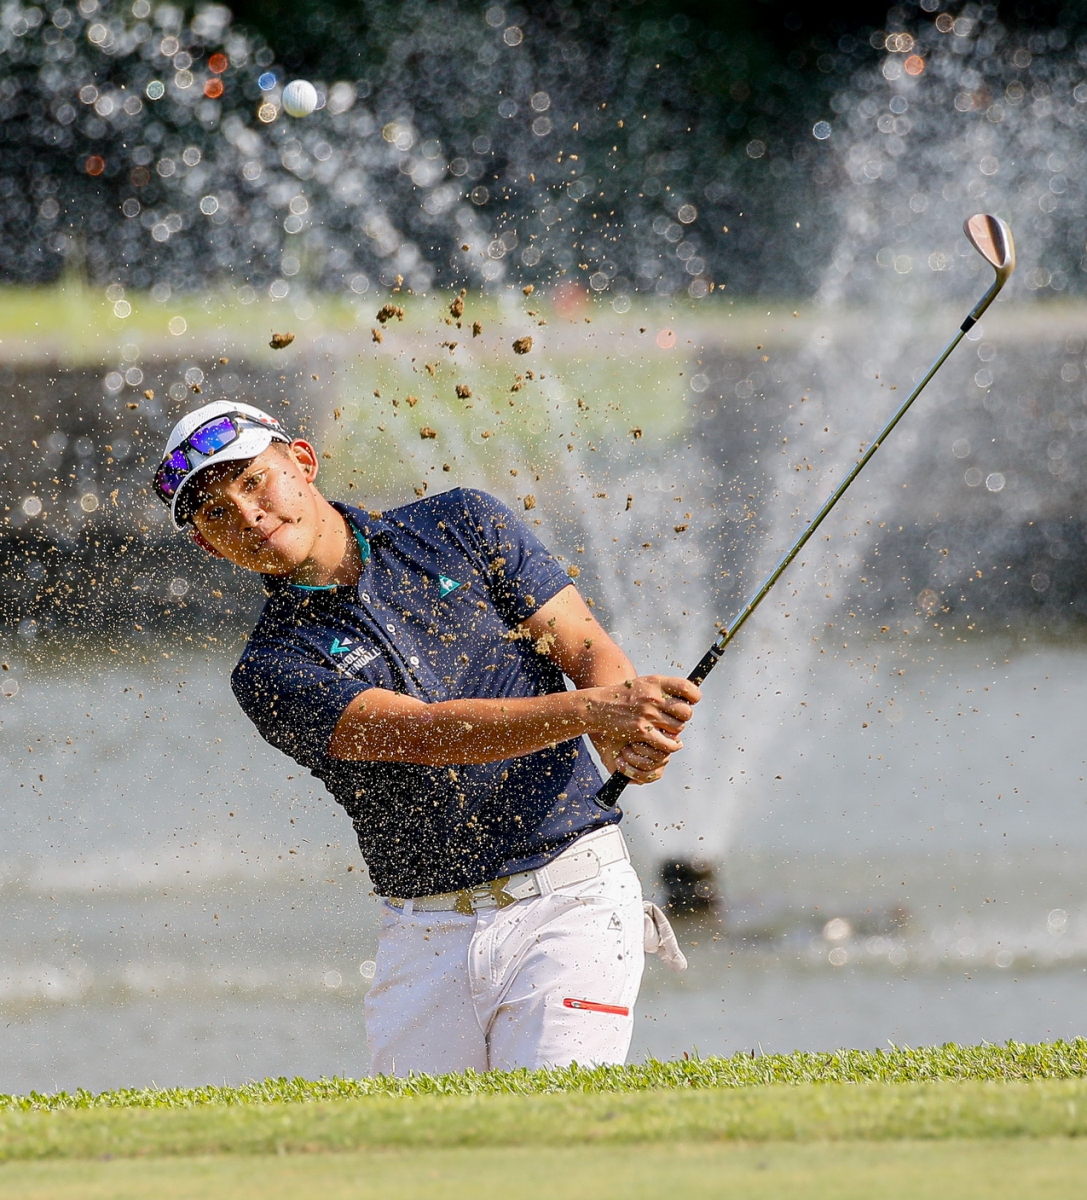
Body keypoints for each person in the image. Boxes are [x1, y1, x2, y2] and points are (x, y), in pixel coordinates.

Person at [153, 400, 700, 1076]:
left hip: (573, 899)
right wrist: (598, 712)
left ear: (302, 461)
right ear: (208, 545)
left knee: (558, 1130)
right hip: (424, 931)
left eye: (253, 479)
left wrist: (621, 732)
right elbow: (426, 735)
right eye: (214, 513)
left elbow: (587, 650)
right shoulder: (270, 668)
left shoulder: (462, 524)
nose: (247, 513)